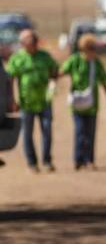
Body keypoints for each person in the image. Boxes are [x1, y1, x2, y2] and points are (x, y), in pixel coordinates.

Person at [60, 33, 106, 170]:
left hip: (92, 106)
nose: (92, 51)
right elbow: (61, 71)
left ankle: (89, 160)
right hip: (77, 105)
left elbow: (103, 81)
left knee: (90, 133)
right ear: (83, 49)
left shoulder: (96, 63)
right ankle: (78, 160)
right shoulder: (74, 60)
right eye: (90, 48)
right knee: (79, 132)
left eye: (93, 48)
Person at [6, 29, 58, 172]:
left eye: (34, 43)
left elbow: (55, 71)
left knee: (47, 131)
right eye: (29, 43)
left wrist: (53, 85)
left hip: (44, 101)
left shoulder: (45, 56)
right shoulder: (17, 58)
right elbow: (9, 79)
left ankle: (47, 160)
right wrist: (12, 99)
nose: (32, 46)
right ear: (23, 44)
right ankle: (32, 163)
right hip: (26, 103)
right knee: (27, 134)